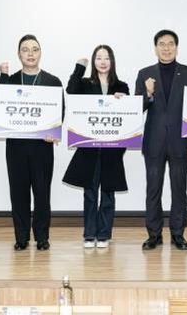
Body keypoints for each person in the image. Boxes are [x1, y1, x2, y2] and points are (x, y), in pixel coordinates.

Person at [0, 34, 63, 251]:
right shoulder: (10, 80)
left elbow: (59, 112)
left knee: (42, 194)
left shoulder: (53, 82)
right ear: (19, 54)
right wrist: (3, 76)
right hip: (16, 147)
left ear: (40, 53)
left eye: (35, 49)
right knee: (18, 193)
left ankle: (42, 237)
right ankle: (21, 237)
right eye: (25, 50)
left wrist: (53, 131)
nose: (30, 54)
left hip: (42, 147)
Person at [135, 30, 187, 251]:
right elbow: (137, 107)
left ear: (176, 47)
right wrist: (148, 93)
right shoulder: (145, 73)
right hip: (154, 141)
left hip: (181, 140)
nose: (166, 48)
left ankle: (178, 234)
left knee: (179, 189)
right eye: (162, 44)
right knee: (153, 189)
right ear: (156, 48)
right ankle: (154, 235)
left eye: (171, 44)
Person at [63, 45, 129, 249]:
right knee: (90, 193)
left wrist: (123, 101)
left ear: (112, 61)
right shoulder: (84, 83)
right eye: (98, 58)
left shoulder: (122, 86)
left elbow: (129, 114)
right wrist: (79, 67)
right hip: (88, 148)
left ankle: (104, 235)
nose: (102, 62)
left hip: (112, 149)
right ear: (93, 61)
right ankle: (89, 234)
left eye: (106, 58)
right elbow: (70, 90)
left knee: (108, 194)